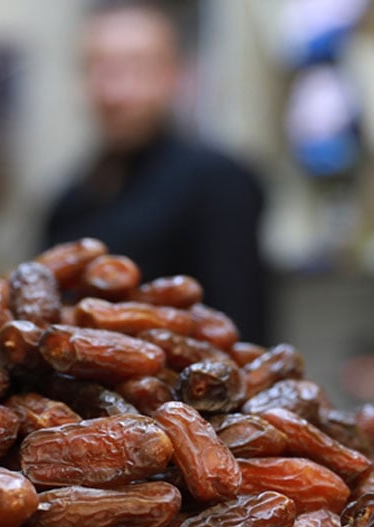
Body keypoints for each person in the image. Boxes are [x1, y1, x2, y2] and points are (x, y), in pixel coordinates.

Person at [44, 0, 270, 343]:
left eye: (136, 67)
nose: (113, 91)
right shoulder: (69, 199)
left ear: (175, 76)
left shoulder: (218, 181)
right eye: (98, 67)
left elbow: (243, 336)